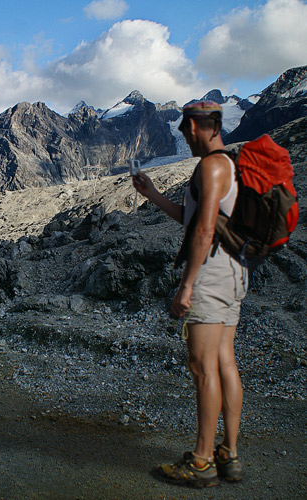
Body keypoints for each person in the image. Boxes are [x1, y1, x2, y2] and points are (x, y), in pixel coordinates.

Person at [131, 100, 246, 488]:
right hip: (232, 271)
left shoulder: (211, 166)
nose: (182, 136)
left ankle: (201, 461)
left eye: (184, 130)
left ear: (198, 127)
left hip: (211, 274)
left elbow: (203, 230)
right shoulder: (228, 164)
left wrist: (187, 285)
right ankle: (228, 454)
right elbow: (191, 217)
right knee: (224, 361)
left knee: (201, 367)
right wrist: (154, 195)